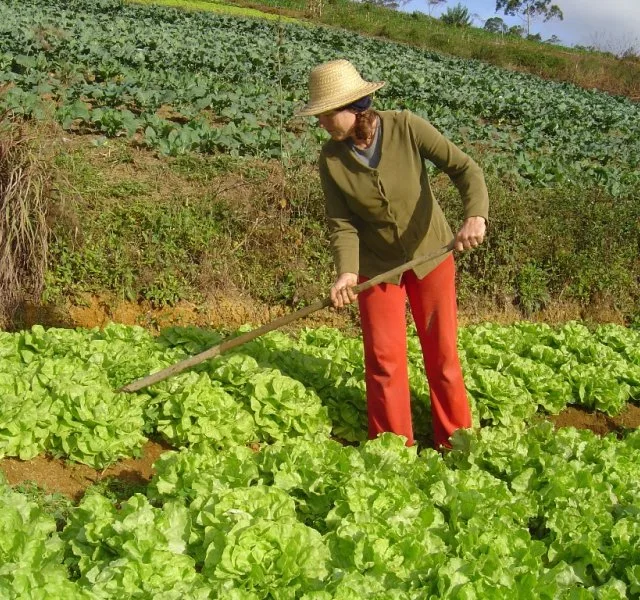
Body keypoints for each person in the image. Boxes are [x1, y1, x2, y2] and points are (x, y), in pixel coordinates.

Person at [297, 59, 489, 449]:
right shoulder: (331, 159)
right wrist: (347, 274)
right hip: (376, 266)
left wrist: (475, 216)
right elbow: (342, 223)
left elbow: (465, 169)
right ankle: (392, 449)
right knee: (383, 360)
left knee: (442, 355)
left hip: (431, 253)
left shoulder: (405, 126)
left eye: (325, 114)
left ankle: (456, 442)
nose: (321, 123)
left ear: (353, 107)